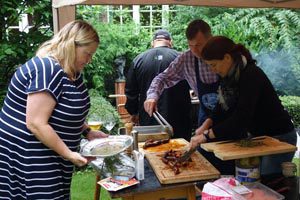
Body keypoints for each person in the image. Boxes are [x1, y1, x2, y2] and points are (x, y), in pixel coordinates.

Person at [0, 20, 107, 199]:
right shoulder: (48, 69)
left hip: (52, 154)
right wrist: (69, 154)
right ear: (71, 45)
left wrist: (87, 131)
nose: (89, 60)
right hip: (30, 156)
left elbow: (67, 109)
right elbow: (36, 123)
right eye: (87, 54)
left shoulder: (71, 72)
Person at [189, 36, 297, 175]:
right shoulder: (229, 77)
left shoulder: (251, 75)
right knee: (253, 178)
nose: (212, 70)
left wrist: (206, 135)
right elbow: (221, 106)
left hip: (280, 136)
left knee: (269, 183)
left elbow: (241, 118)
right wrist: (206, 124)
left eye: (214, 65)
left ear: (227, 58)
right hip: (259, 138)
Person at [144, 19, 219, 128]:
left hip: (231, 115)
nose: (195, 51)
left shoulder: (223, 55)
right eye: (190, 45)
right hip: (206, 115)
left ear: (210, 39)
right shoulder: (186, 59)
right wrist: (152, 96)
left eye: (198, 45)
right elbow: (162, 78)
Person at [125, 29, 192, 140]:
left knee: (151, 150)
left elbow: (131, 91)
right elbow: (192, 85)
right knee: (180, 152)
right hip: (179, 117)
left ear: (153, 43)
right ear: (171, 42)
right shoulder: (181, 58)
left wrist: (133, 112)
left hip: (148, 116)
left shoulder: (138, 60)